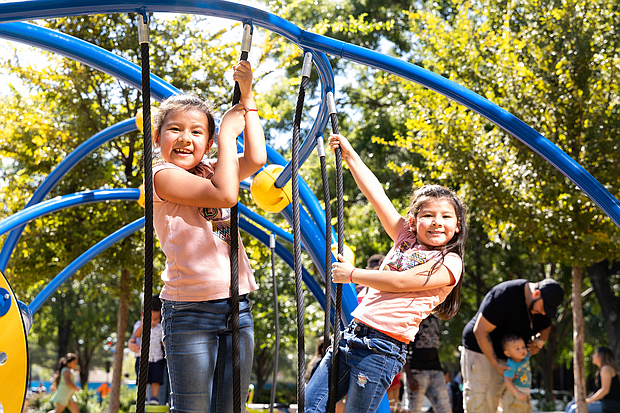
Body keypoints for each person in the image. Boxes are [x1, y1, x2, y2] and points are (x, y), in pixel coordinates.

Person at [305, 133, 467, 413]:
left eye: (446, 217)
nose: (436, 222)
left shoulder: (450, 262)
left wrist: (353, 274)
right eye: (428, 215)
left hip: (382, 347)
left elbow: (402, 282)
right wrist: (351, 156)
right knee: (311, 404)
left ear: (457, 225)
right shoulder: (405, 236)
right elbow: (376, 194)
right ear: (415, 221)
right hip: (352, 334)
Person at [152, 60, 266, 413]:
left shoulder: (214, 169)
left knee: (232, 407)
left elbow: (258, 157)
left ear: (208, 141)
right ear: (158, 138)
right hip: (189, 310)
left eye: (197, 132)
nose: (185, 138)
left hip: (236, 304)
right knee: (193, 409)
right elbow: (225, 196)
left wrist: (247, 99)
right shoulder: (161, 175)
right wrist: (228, 137)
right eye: (174, 129)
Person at [460, 278, 564, 413]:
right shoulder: (505, 294)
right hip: (482, 352)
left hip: (514, 360)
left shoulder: (541, 307)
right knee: (483, 405)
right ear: (536, 294)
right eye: (544, 309)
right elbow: (480, 330)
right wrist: (496, 364)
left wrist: (538, 343)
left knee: (518, 407)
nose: (544, 313)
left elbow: (546, 328)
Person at [403, 314, 452, 413]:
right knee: (413, 410)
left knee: (445, 408)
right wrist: (409, 376)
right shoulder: (414, 317)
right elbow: (403, 347)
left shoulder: (437, 320)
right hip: (417, 370)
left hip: (436, 369)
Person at [129, 294, 165, 405]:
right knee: (142, 379)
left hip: (156, 358)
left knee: (156, 379)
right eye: (151, 319)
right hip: (142, 357)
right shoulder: (139, 325)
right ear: (143, 315)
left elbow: (163, 341)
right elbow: (136, 335)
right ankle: (142, 397)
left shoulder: (160, 327)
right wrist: (144, 323)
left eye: (156, 319)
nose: (153, 322)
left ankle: (154, 398)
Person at [565, 346, 620, 413]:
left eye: (595, 354)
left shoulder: (606, 369)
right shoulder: (600, 370)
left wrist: (589, 400)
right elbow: (596, 391)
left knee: (575, 410)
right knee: (571, 404)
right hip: (603, 404)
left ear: (601, 356)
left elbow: (605, 390)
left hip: (610, 405)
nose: (592, 356)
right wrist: (585, 398)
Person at [500, 334, 533, 413]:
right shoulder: (511, 365)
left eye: (523, 347)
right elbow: (507, 379)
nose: (522, 350)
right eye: (517, 349)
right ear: (508, 353)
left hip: (525, 394)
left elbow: (532, 348)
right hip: (514, 396)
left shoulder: (525, 358)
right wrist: (517, 393)